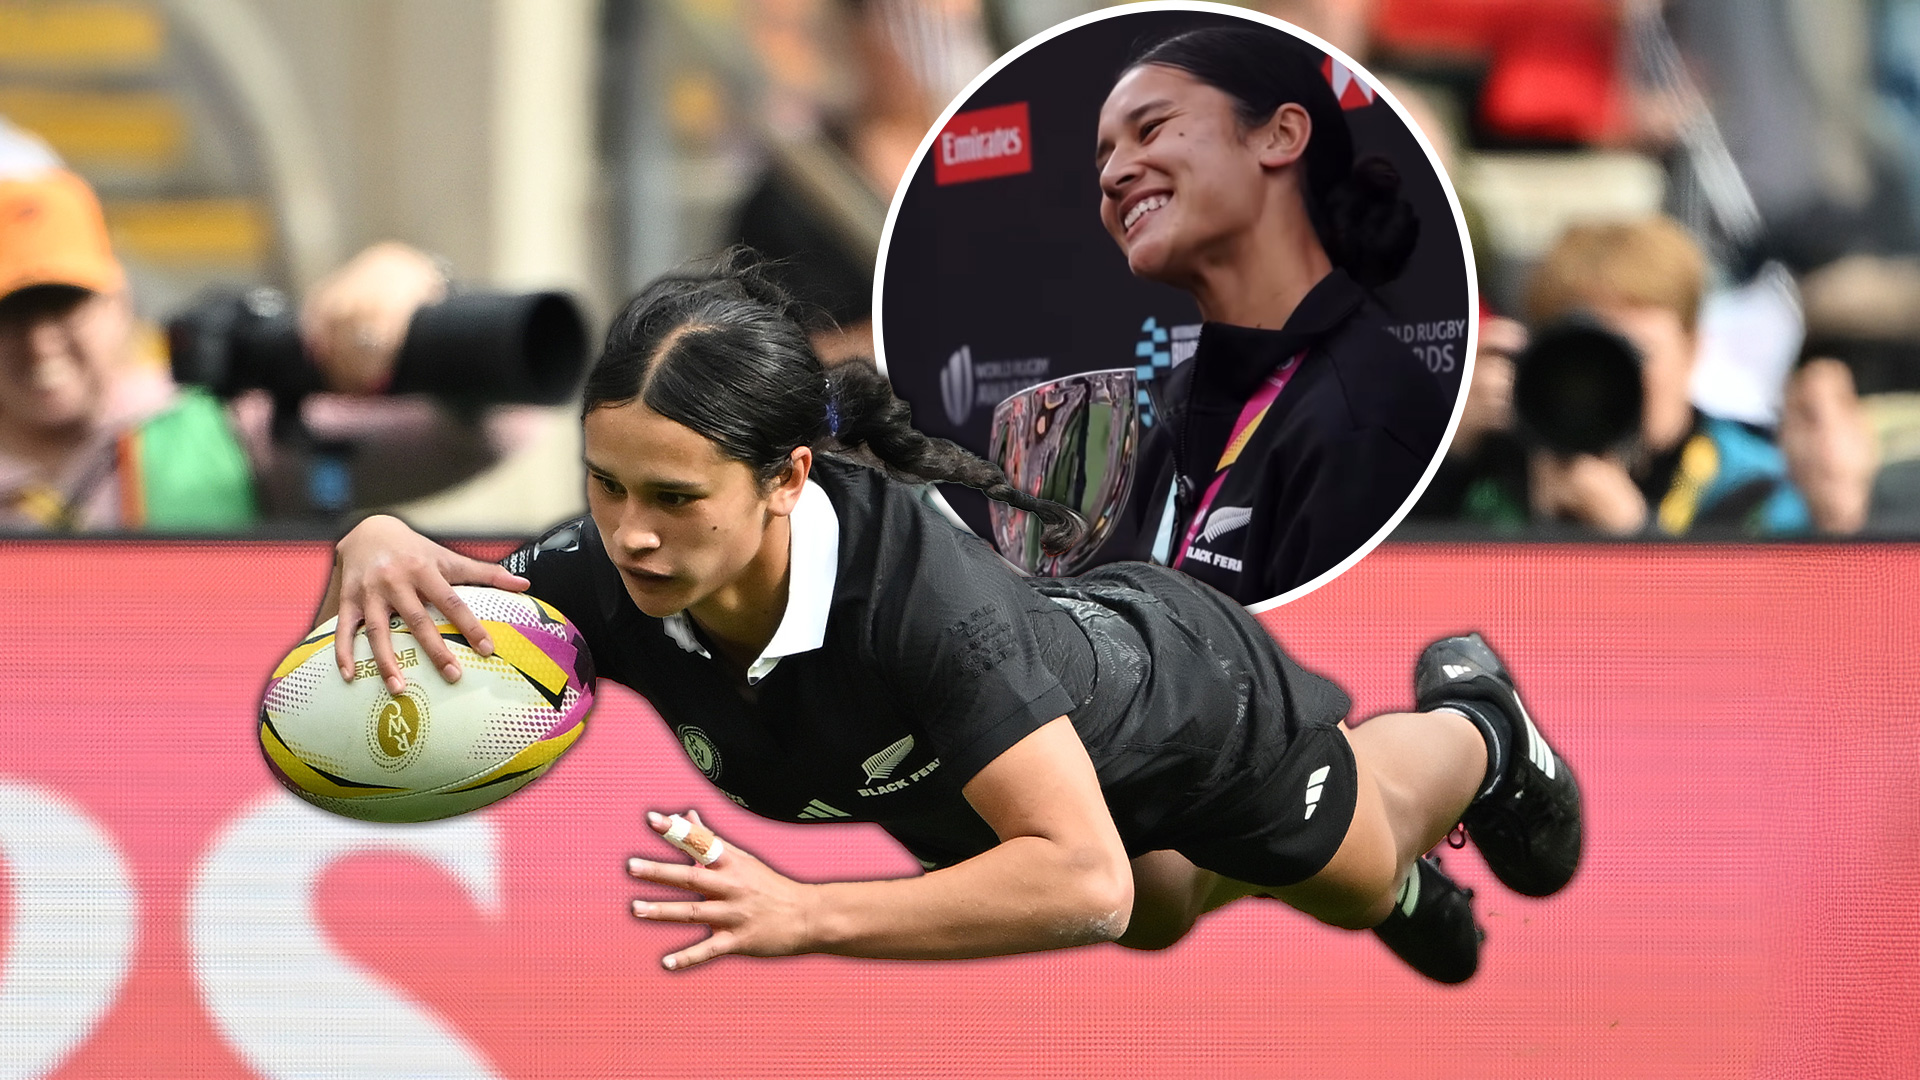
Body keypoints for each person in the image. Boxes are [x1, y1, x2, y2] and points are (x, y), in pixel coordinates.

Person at [313, 255, 1582, 984]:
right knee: (1158, 915)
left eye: (676, 499)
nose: (632, 533)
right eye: (606, 486)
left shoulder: (920, 606)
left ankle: (1478, 725)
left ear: (785, 479)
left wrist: (808, 912)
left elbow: (1076, 879)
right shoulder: (604, 575)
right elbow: (462, 632)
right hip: (1017, 785)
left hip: (1187, 710)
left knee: (1349, 879)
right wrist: (377, 539)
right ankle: (1312, 856)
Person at [1086, 24, 1451, 602]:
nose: (1111, 177)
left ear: (1280, 136)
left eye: (1149, 129)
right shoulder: (1175, 413)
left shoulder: (1365, 411)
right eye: (1104, 158)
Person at [0, 130, 459, 531]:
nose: (39, 342)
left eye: (64, 305)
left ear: (120, 304)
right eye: (8, 314)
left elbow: (470, 437)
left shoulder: (214, 423)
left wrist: (417, 285)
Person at [1523, 218, 1813, 535]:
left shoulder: (1759, 484)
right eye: (1587, 354)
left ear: (1692, 349)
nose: (1615, 374)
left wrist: (1636, 532)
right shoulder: (1503, 460)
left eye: (1638, 351)